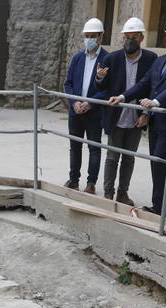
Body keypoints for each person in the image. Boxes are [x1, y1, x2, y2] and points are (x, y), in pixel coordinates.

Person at [108, 17, 166, 215]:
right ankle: (157, 205)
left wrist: (156, 103)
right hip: (156, 120)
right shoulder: (161, 60)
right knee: (155, 162)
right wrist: (123, 96)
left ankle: (160, 207)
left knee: (161, 161)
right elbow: (145, 84)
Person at [91, 17, 157, 206]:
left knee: (129, 158)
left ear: (142, 38)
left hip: (137, 116)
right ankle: (108, 194)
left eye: (134, 37)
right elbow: (100, 87)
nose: (129, 40)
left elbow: (153, 88)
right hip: (116, 115)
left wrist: (146, 114)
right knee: (112, 157)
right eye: (126, 37)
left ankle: (122, 193)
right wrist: (99, 78)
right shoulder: (112, 58)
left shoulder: (151, 59)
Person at [62, 18, 110, 194]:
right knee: (75, 146)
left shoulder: (107, 59)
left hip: (94, 112)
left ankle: (91, 183)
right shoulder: (77, 58)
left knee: (94, 148)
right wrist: (74, 103)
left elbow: (108, 89)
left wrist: (90, 103)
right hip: (76, 112)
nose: (89, 39)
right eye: (86, 36)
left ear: (100, 37)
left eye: (93, 36)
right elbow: (68, 84)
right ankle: (74, 179)